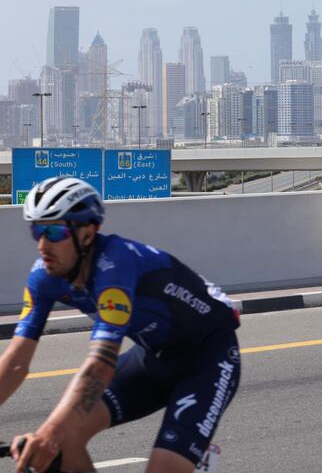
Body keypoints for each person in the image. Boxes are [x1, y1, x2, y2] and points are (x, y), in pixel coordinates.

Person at [0, 176, 240, 473]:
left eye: (54, 231)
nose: (42, 244)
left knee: (158, 467)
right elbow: (14, 363)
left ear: (87, 233)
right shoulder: (43, 277)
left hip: (207, 360)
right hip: (152, 359)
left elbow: (100, 365)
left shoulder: (116, 264)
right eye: (36, 229)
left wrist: (49, 432)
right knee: (63, 442)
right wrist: (53, 434)